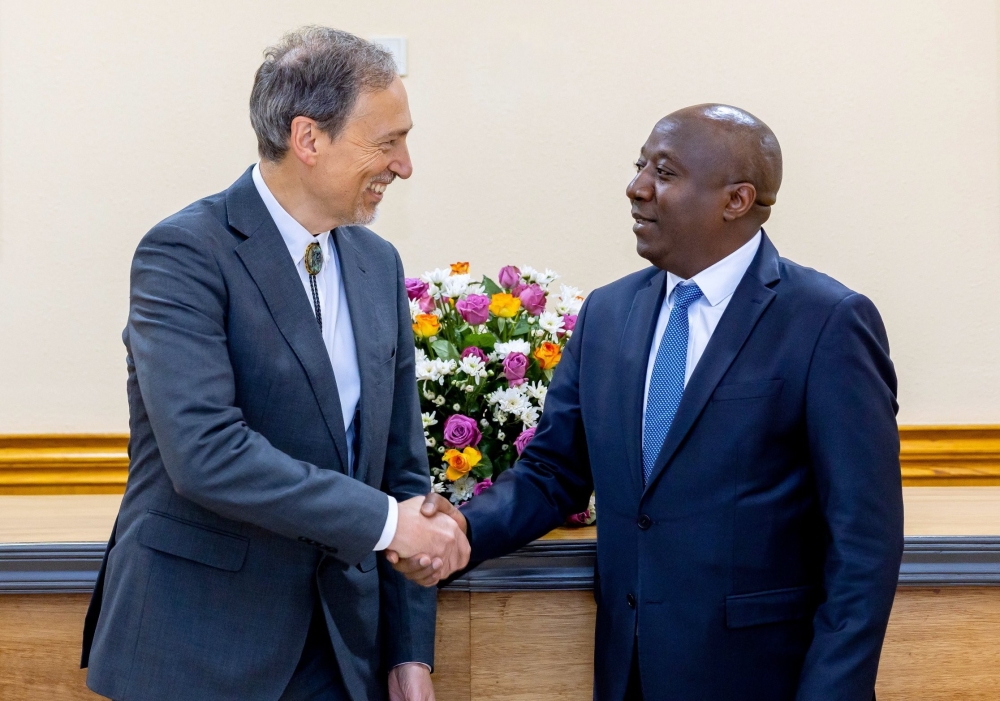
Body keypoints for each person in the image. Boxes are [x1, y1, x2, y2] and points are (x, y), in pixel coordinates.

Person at [396, 104, 904, 700]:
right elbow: (553, 472)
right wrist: (461, 527)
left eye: (663, 172)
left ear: (736, 200)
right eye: (640, 166)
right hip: (628, 672)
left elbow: (864, 542)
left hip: (764, 678)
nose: (635, 188)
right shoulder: (608, 314)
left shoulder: (827, 322)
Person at [81, 27, 468, 701]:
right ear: (308, 139)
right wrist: (386, 523)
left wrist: (410, 652)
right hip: (197, 650)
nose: (404, 165)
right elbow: (208, 453)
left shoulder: (379, 266)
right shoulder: (184, 254)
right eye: (387, 142)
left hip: (339, 655)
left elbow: (401, 468)